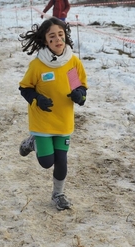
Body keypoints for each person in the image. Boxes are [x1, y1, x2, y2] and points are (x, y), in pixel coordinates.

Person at [18, 17, 88, 210]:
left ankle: (58, 195)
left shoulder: (71, 62)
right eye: (52, 36)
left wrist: (79, 95)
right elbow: (25, 88)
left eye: (60, 34)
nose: (58, 39)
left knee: (62, 162)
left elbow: (80, 87)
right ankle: (32, 142)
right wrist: (37, 99)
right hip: (42, 121)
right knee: (47, 162)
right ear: (45, 41)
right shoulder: (38, 65)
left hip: (64, 121)